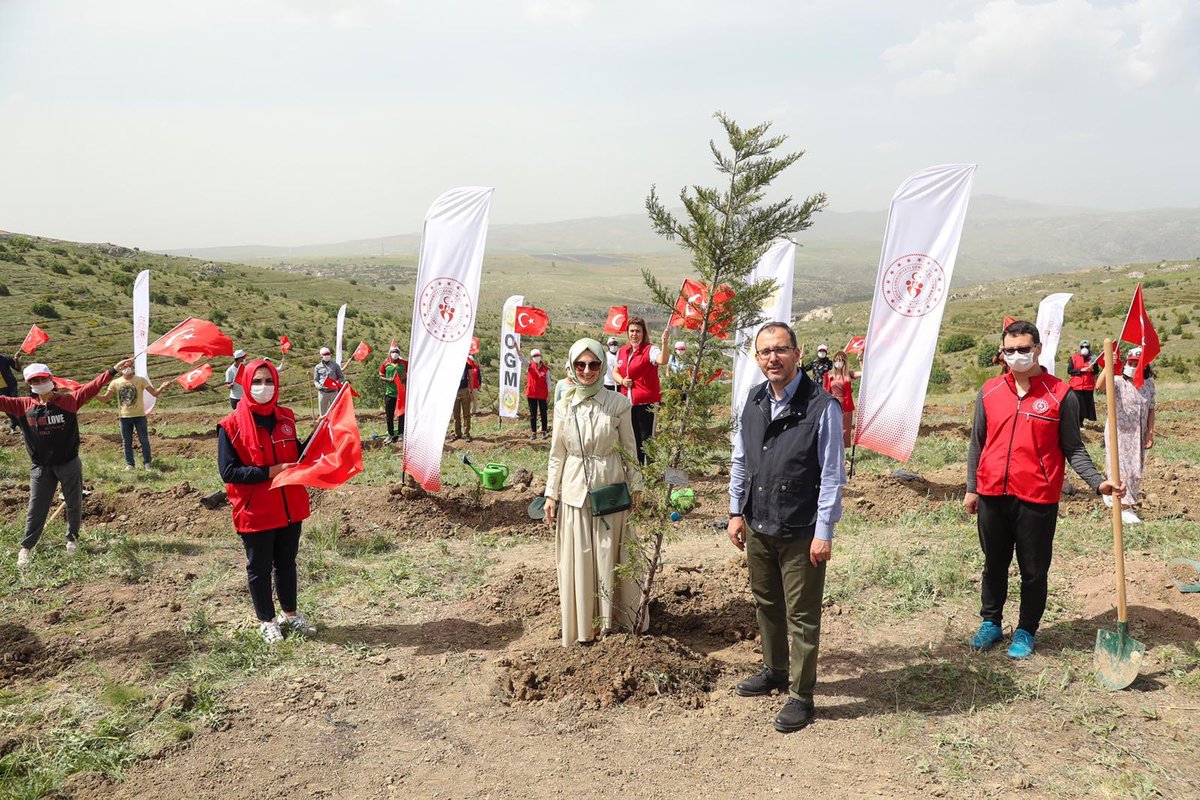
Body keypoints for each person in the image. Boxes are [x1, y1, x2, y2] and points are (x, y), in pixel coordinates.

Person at [964, 321, 1122, 659]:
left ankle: (1026, 629)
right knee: (994, 564)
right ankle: (991, 622)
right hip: (992, 493)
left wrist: (1098, 482)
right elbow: (977, 443)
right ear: (1002, 352)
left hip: (1037, 496)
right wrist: (972, 488)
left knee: (1033, 571)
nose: (1016, 355)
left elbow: (1073, 447)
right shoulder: (989, 391)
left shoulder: (1060, 394)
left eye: (1023, 349)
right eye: (1009, 350)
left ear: (1037, 348)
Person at [727, 322, 845, 734]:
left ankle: (801, 696)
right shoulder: (754, 399)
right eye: (765, 352)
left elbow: (832, 476)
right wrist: (735, 511)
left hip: (801, 528)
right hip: (759, 522)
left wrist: (824, 531)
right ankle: (775, 670)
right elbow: (741, 459)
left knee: (802, 615)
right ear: (758, 358)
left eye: (780, 350)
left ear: (797, 354)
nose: (772, 358)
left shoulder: (821, 406)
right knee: (767, 603)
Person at [544, 338, 646, 646]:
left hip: (610, 490)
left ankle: (615, 622)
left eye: (593, 364)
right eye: (580, 365)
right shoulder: (563, 407)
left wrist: (637, 488)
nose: (587, 371)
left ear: (602, 366)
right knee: (581, 559)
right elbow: (557, 454)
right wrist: (551, 494)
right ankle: (584, 626)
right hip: (574, 492)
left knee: (609, 555)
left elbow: (630, 450)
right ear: (572, 367)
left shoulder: (618, 404)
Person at [217, 359, 316, 644]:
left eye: (269, 381)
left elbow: (296, 455)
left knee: (286, 563)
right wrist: (271, 472)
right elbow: (229, 471)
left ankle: (290, 614)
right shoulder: (230, 425)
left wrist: (317, 434)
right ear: (246, 384)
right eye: (257, 382)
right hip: (256, 510)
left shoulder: (286, 418)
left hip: (289, 506)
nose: (264, 387)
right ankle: (267, 621)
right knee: (259, 568)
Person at [0, 357, 133, 566]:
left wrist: (113, 370)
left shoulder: (69, 401)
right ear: (29, 384)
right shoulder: (21, 405)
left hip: (68, 463)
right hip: (41, 467)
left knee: (73, 503)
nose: (39, 383)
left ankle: (72, 540)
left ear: (51, 379)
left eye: (42, 379)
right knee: (36, 507)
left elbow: (92, 387)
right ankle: (26, 547)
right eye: (34, 381)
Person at [1095, 347, 1156, 525]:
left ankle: (1116, 496)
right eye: (1130, 363)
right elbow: (1099, 387)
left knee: (1135, 470)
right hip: (1119, 433)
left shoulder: (1149, 385)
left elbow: (1151, 409)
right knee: (1122, 468)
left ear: (1144, 366)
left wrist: (1150, 432)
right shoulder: (1118, 381)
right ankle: (1124, 506)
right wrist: (1108, 365)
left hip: (1138, 434)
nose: (1132, 366)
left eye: (1136, 364)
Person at [612, 317, 670, 464]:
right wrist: (622, 381)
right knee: (633, 439)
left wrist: (665, 343)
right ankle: (637, 471)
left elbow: (662, 360)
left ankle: (651, 471)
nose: (634, 334)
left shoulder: (650, 350)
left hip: (646, 404)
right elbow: (615, 372)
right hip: (627, 404)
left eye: (638, 331)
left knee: (647, 440)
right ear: (627, 332)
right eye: (632, 331)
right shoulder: (622, 351)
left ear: (643, 333)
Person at [98, 364, 172, 470]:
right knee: (126, 442)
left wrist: (162, 386)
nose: (127, 368)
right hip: (124, 417)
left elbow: (154, 393)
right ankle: (130, 465)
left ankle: (147, 463)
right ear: (120, 368)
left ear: (133, 367)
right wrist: (93, 394)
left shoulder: (141, 380)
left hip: (140, 416)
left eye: (129, 366)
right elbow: (106, 398)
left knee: (144, 440)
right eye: (124, 366)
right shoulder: (115, 382)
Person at [822, 351, 861, 448]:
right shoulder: (828, 375)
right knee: (831, 428)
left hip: (846, 406)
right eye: (836, 360)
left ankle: (842, 452)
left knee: (845, 430)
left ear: (844, 362)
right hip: (832, 405)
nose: (838, 362)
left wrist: (860, 359)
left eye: (840, 360)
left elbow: (863, 372)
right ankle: (832, 450)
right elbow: (824, 391)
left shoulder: (848, 375)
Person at [517, 344, 551, 440]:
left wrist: (549, 394)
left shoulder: (545, 369)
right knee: (533, 414)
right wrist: (516, 347)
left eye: (538, 355)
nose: (536, 357)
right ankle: (533, 432)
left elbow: (548, 381)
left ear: (540, 356)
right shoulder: (530, 366)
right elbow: (521, 357)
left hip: (542, 394)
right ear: (532, 357)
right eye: (534, 356)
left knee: (543, 413)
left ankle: (544, 431)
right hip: (531, 394)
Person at [1066, 339, 1100, 427]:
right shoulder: (1074, 358)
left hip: (1088, 386)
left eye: (1086, 347)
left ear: (1089, 347)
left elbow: (1096, 371)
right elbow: (1070, 371)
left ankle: (1081, 422)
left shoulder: (1093, 358)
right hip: (1076, 386)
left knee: (1085, 405)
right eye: (1082, 347)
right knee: (1076, 404)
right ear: (1080, 347)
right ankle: (1076, 422)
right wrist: (1081, 370)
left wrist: (1092, 369)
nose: (1084, 348)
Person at [379, 347, 407, 443]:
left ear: (399, 353)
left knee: (401, 415)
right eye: (393, 352)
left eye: (397, 352)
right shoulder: (385, 363)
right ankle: (390, 434)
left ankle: (401, 434)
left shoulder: (404, 363)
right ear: (390, 353)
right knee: (389, 415)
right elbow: (381, 376)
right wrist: (388, 379)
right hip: (390, 394)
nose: (395, 353)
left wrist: (405, 380)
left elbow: (411, 371)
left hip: (401, 394)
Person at [313, 347, 344, 416]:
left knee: (335, 412)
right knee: (323, 413)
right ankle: (323, 423)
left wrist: (336, 383)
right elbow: (315, 380)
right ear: (321, 356)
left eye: (328, 354)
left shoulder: (335, 366)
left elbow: (341, 377)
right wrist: (318, 386)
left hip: (333, 392)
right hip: (322, 392)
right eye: (325, 354)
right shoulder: (317, 367)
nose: (327, 356)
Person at [451, 360, 473, 442]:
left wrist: (471, 391)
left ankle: (466, 433)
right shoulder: (451, 363)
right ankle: (457, 433)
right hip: (454, 391)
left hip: (465, 390)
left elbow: (470, 376)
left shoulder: (466, 363)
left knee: (466, 414)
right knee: (456, 414)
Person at [0, 350, 21, 433]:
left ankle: (20, 425)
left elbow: (18, 368)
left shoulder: (5, 358)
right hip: (1, 389)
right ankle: (15, 424)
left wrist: (16, 360)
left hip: (11, 385)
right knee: (6, 407)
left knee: (14, 404)